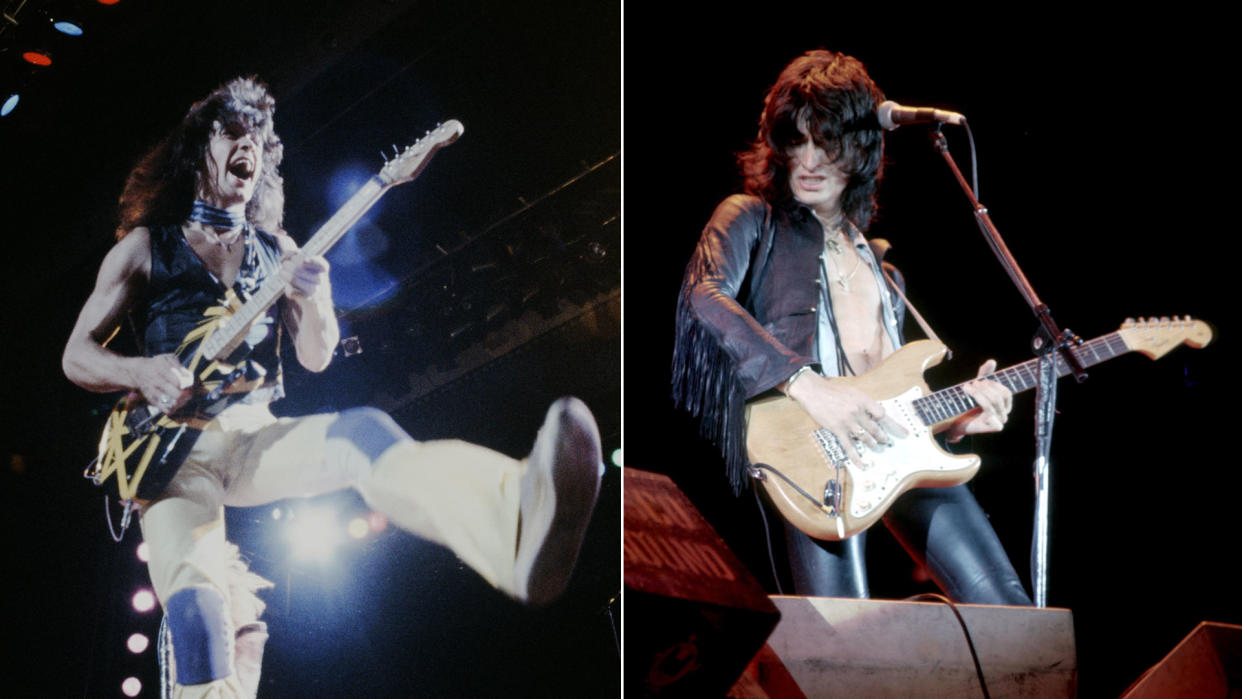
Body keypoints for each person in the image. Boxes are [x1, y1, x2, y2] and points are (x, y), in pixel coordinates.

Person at [62, 76, 603, 698]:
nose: (248, 148)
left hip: (252, 433)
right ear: (198, 150)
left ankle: (512, 519)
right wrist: (138, 371)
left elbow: (317, 358)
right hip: (169, 460)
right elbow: (76, 356)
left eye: (259, 141)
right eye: (233, 134)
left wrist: (313, 291)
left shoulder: (279, 250)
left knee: (361, 434)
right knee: (201, 613)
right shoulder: (143, 249)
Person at [671, 50, 1031, 605]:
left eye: (828, 143)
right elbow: (703, 296)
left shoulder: (884, 270)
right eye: (797, 141)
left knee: (1012, 615)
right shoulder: (751, 217)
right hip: (811, 456)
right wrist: (809, 387)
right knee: (844, 646)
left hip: (897, 451)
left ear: (861, 149)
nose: (810, 160)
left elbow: (892, 392)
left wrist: (959, 418)